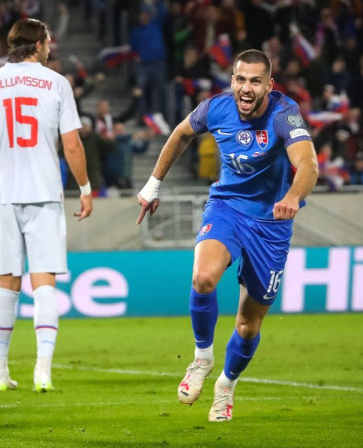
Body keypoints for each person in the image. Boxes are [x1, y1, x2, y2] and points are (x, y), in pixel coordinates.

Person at [136, 49, 319, 422]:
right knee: (203, 278)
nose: (246, 88)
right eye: (240, 79)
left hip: (271, 225)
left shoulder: (285, 115)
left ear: (270, 84)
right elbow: (180, 134)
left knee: (248, 324)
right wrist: (154, 185)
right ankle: (202, 358)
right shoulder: (214, 109)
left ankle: (226, 385)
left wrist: (292, 196)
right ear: (231, 80)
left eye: (255, 81)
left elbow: (309, 163)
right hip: (227, 208)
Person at [0, 18, 93, 393]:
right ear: (38, 45)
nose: (50, 46)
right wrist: (84, 187)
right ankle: (43, 372)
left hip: (2, 192)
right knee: (44, 280)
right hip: (44, 192)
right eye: (47, 41)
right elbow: (72, 146)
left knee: (7, 282)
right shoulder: (57, 83)